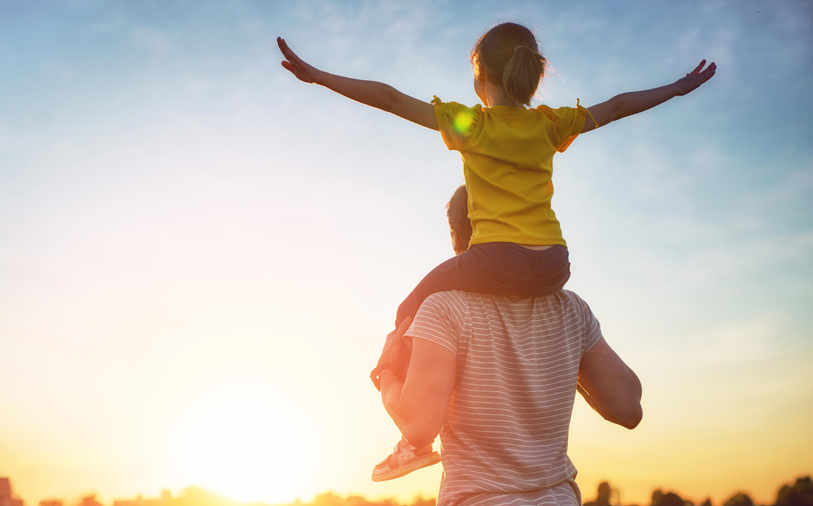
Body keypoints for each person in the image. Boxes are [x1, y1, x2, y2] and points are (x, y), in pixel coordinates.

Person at [277, 22, 711, 475]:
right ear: (532, 74)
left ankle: (413, 443)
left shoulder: (473, 124)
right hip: (553, 264)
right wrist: (678, 88)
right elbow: (619, 106)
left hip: (495, 260)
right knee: (465, 293)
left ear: (480, 78)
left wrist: (322, 77)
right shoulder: (550, 123)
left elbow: (389, 98)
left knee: (410, 305)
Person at [371, 184, 643, 504]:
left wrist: (385, 370)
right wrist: (568, 357)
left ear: (456, 236)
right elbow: (628, 407)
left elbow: (418, 427)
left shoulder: (443, 308)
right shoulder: (570, 309)